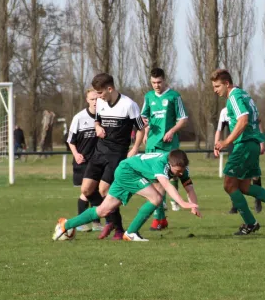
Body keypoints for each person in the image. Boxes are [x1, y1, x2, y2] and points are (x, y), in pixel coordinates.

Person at [211, 69, 265, 235]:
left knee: (228, 184)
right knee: (244, 186)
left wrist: (226, 141)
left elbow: (243, 120)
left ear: (227, 84)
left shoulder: (233, 97)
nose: (215, 90)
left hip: (244, 145)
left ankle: (250, 223)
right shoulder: (245, 95)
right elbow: (256, 119)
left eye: (217, 86)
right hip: (253, 144)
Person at [53, 150, 200, 242]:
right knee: (156, 198)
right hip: (128, 172)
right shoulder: (161, 163)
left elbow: (190, 188)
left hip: (126, 169)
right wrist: (182, 203)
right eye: (177, 171)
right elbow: (167, 185)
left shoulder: (180, 166)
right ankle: (131, 233)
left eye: (182, 171)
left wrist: (193, 205)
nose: (180, 174)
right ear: (170, 164)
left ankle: (66, 225)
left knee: (103, 210)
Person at [80, 73, 145, 240]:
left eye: (100, 93)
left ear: (110, 89)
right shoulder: (101, 103)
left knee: (104, 189)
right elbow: (97, 120)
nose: (97, 97)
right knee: (86, 190)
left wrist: (135, 148)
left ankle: (117, 228)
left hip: (117, 153)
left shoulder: (129, 105)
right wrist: (97, 127)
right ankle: (109, 218)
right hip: (99, 151)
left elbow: (140, 129)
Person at [141, 67, 189, 230]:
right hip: (152, 145)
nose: (156, 85)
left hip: (168, 147)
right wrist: (145, 129)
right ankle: (160, 218)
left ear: (165, 80)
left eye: (159, 82)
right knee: (154, 182)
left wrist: (172, 131)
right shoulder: (148, 97)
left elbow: (183, 119)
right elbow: (144, 117)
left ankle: (159, 219)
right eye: (153, 82)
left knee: (162, 182)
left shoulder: (174, 96)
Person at [67, 89, 104, 232]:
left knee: (97, 191)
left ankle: (95, 223)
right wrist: (76, 154)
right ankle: (82, 222)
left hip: (98, 161)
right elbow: (71, 140)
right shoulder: (79, 117)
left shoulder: (104, 116)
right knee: (87, 192)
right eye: (92, 99)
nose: (95, 102)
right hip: (83, 161)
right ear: (87, 100)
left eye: (97, 99)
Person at [215, 107, 264, 214]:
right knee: (233, 177)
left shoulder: (247, 106)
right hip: (234, 146)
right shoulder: (224, 111)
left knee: (254, 175)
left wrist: (262, 142)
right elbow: (219, 129)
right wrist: (216, 144)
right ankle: (235, 205)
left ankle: (258, 200)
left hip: (250, 143)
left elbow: (258, 124)